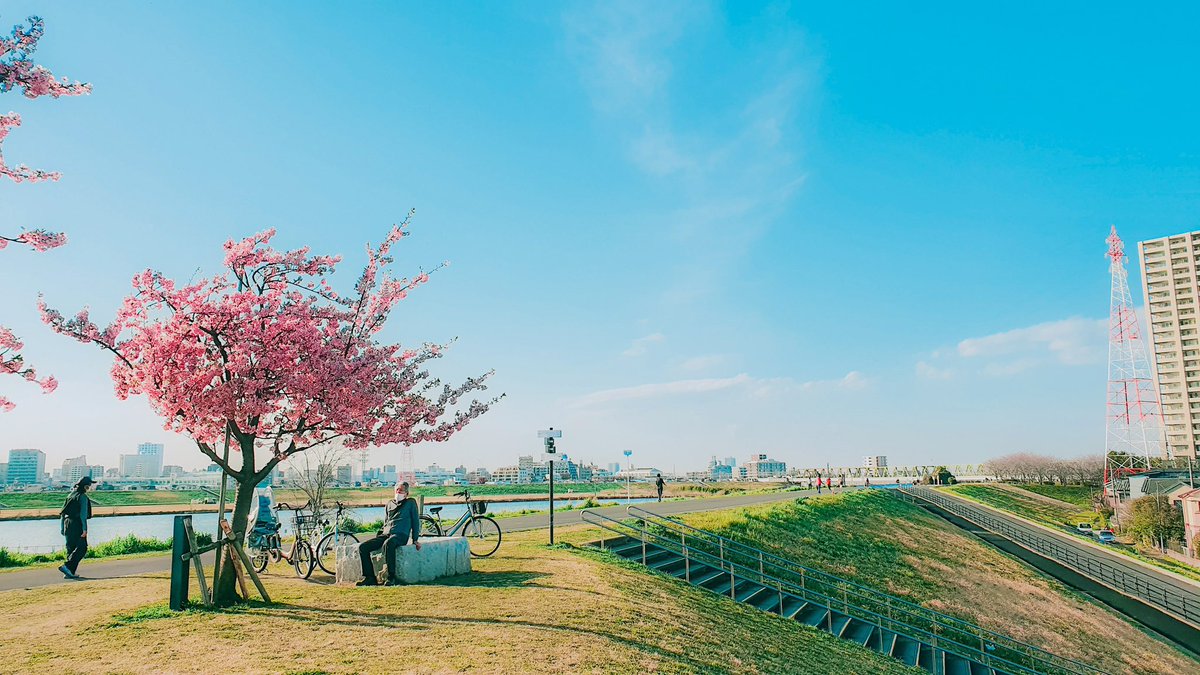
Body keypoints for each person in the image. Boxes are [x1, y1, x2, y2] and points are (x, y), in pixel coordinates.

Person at [357, 481, 422, 586]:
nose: (398, 492)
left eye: (401, 490)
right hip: (386, 533)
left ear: (406, 493)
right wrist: (381, 534)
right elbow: (386, 521)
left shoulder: (411, 503)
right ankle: (370, 577)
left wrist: (415, 539)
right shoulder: (389, 504)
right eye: (397, 490)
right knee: (363, 547)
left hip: (400, 534)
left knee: (389, 543)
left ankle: (391, 577)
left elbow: (415, 521)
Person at [58, 476, 94, 579]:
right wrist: (85, 529)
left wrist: (62, 527)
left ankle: (69, 572)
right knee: (82, 548)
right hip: (77, 524)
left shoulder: (70, 495)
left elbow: (63, 512)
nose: (90, 488)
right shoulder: (82, 497)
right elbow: (83, 514)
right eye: (89, 486)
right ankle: (67, 567)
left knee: (71, 548)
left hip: (67, 523)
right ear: (86, 486)